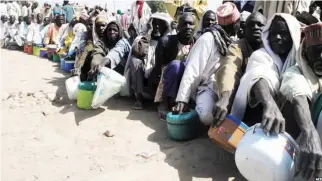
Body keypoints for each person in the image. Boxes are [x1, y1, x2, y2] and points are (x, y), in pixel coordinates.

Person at [230, 14, 301, 134]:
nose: (277, 37)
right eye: (273, 33)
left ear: (293, 35)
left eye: (283, 33)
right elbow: (259, 75)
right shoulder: (260, 55)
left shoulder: (300, 61)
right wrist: (269, 104)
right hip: (260, 117)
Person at [172, 11, 236, 125]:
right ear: (233, 23)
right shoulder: (207, 38)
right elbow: (193, 68)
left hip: (227, 85)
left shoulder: (232, 40)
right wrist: (182, 99)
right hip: (208, 85)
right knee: (206, 116)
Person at [278, 23, 322, 181]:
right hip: (296, 147)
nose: (321, 57)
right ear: (304, 52)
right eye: (316, 52)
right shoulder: (295, 73)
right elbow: (299, 97)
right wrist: (310, 133)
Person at [213, 12, 266, 126]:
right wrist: (225, 97)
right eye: (251, 25)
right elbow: (229, 67)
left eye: (260, 25)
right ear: (244, 30)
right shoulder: (237, 46)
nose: (255, 27)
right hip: (238, 94)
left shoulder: (271, 48)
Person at [124, 12, 173, 110]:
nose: (157, 26)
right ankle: (139, 99)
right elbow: (139, 51)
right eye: (155, 23)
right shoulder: (142, 38)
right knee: (135, 61)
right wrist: (149, 33)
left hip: (157, 76)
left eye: (161, 23)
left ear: (166, 26)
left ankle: (161, 100)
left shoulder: (168, 40)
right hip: (142, 80)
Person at [154, 13, 196, 120]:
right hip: (169, 78)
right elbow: (159, 68)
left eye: (191, 24)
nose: (188, 27)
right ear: (178, 26)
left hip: (189, 79)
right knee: (176, 65)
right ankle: (167, 103)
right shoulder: (165, 41)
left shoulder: (198, 43)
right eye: (184, 24)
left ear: (195, 26)